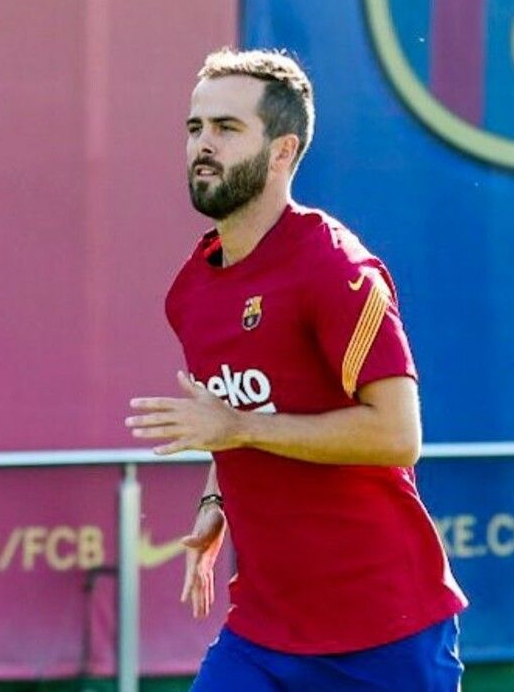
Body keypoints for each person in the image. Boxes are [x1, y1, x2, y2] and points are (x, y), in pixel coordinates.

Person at [126, 48, 467, 691]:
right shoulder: (191, 291)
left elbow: (397, 435)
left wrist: (238, 430)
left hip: (385, 634)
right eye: (195, 127)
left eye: (227, 129)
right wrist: (215, 498)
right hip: (262, 634)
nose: (203, 144)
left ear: (282, 152)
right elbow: (236, 415)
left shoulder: (336, 269)